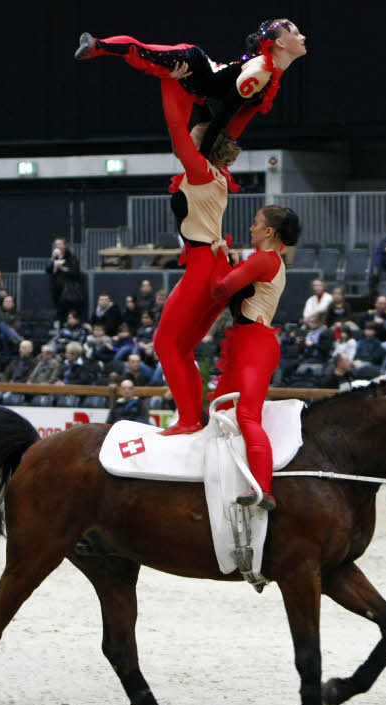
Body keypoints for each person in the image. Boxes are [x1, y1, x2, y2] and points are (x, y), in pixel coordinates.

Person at [151, 74, 242, 436]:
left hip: (205, 266)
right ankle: (192, 418)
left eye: (195, 133)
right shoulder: (217, 173)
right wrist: (199, 92)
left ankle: (188, 420)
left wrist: (169, 83)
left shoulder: (201, 172)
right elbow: (209, 123)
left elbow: (176, 127)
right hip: (217, 265)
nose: (189, 133)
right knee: (182, 346)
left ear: (201, 145)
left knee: (164, 344)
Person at [75, 19, 306, 156]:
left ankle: (98, 45)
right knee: (144, 53)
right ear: (281, 43)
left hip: (195, 88)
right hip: (193, 65)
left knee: (180, 149)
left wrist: (221, 156)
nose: (303, 36)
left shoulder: (270, 76)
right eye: (296, 33)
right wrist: (207, 154)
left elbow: (235, 123)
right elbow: (225, 114)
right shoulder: (260, 71)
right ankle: (97, 45)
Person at [209, 205, 300, 512]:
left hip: (255, 343)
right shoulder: (268, 260)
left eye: (256, 223)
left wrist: (218, 258)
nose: (251, 228)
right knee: (222, 409)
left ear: (269, 231)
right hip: (249, 341)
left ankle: (263, 488)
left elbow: (221, 289)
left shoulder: (264, 259)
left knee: (247, 415)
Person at [46, 236, 84, 322]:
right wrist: (52, 259)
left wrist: (61, 267)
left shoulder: (71, 258)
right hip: (56, 291)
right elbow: (48, 270)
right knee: (59, 313)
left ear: (65, 245)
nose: (58, 246)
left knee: (69, 312)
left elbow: (75, 272)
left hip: (69, 291)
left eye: (59, 244)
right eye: (56, 244)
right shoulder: (54, 257)